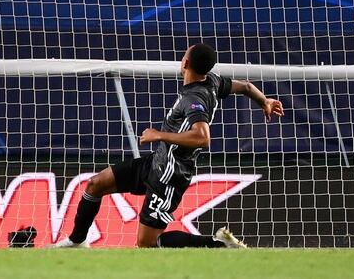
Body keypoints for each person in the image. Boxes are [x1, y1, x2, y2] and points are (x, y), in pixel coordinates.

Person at [52, 43, 284, 248]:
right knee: (96, 184)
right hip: (157, 162)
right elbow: (246, 86)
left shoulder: (194, 99)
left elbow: (202, 137)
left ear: (185, 63)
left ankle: (218, 244)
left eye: (185, 54)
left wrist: (158, 135)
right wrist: (265, 101)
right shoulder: (213, 81)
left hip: (170, 175)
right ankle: (77, 241)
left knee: (146, 243)